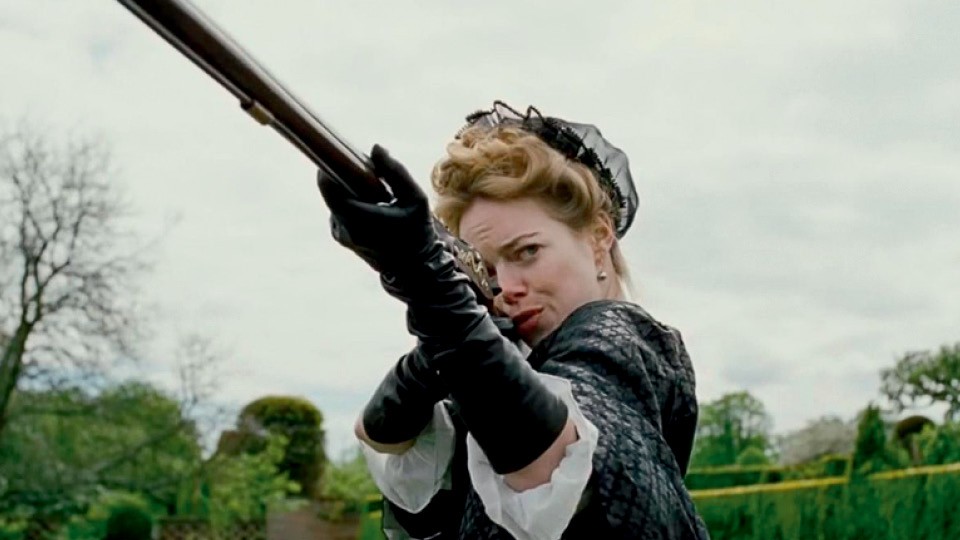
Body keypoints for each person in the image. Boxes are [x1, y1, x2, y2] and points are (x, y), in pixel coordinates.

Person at [316, 101, 709, 539]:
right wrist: (433, 355)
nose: (507, 287)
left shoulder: (623, 337)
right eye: (487, 269)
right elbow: (380, 439)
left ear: (599, 238)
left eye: (527, 252)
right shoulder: (518, 366)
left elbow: (557, 468)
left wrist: (429, 286)